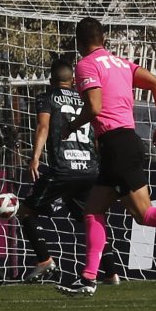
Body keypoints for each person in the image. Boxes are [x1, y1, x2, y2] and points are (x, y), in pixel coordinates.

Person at [56, 17, 156, 297]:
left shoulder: (86, 64)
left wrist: (72, 125)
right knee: (92, 210)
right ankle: (88, 278)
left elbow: (95, 107)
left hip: (117, 144)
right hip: (124, 143)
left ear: (79, 42)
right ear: (104, 40)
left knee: (144, 213)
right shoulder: (122, 63)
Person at [17, 59, 120, 284]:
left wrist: (35, 158)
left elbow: (43, 126)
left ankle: (44, 261)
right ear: (73, 81)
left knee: (25, 211)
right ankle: (111, 273)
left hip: (62, 170)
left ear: (51, 81)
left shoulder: (47, 97)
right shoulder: (85, 99)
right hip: (90, 168)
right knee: (92, 220)